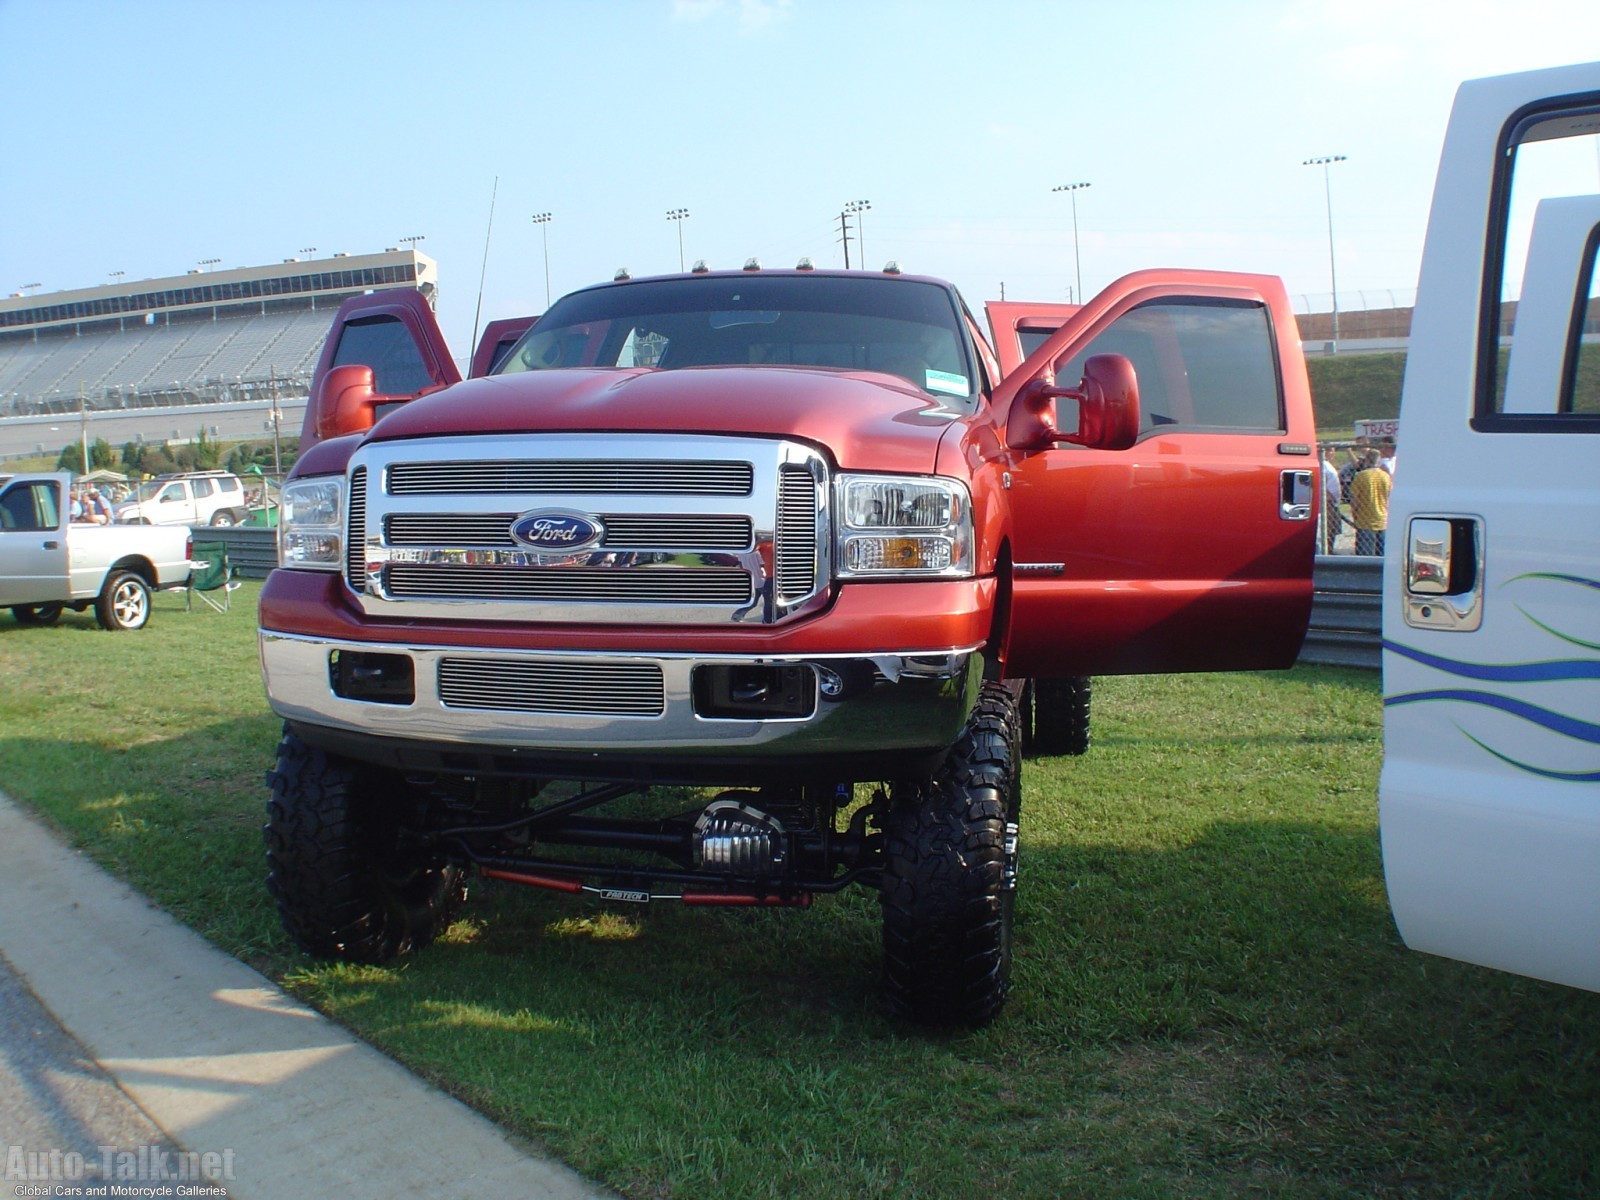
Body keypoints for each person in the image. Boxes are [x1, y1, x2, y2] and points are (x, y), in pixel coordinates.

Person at [1349, 449, 1391, 556]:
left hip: (1365, 522)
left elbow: (1354, 499)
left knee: (1365, 557)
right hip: (1382, 520)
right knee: (1381, 556)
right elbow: (1389, 497)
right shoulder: (1385, 476)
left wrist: (1355, 516)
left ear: (1367, 460)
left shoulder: (1361, 476)